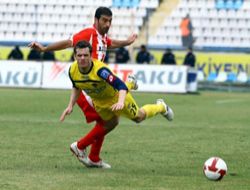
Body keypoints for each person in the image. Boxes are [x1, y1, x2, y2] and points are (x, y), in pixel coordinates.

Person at [28, 7, 137, 167]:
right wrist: (44, 48)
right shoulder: (88, 34)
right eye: (104, 20)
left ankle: (93, 158)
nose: (108, 24)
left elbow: (110, 43)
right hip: (87, 90)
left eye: (110, 21)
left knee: (106, 120)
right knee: (110, 121)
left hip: (95, 89)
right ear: (96, 20)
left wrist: (126, 42)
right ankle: (80, 147)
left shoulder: (102, 37)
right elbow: (68, 42)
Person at [60, 41, 174, 168]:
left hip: (116, 97)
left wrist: (120, 102)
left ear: (91, 55)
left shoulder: (101, 71)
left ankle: (161, 106)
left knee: (139, 117)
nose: (82, 58)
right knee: (110, 124)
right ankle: (131, 82)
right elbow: (76, 86)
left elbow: (120, 86)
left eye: (85, 55)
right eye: (79, 55)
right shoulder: (72, 70)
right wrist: (70, 105)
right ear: (74, 56)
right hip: (99, 103)